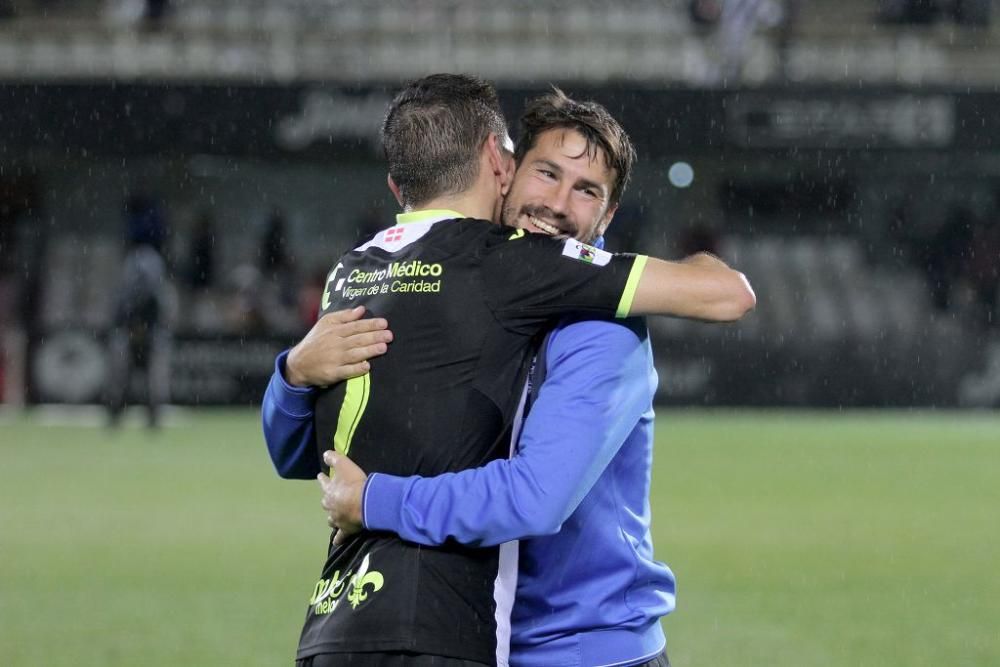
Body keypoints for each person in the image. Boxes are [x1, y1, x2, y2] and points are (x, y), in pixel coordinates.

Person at [262, 74, 754, 667]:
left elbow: (534, 497)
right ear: (506, 169)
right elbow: (305, 455)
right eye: (547, 173)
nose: (557, 204)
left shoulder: (602, 331)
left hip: (581, 651)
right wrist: (293, 373)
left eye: (587, 191)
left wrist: (375, 501)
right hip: (474, 638)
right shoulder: (454, 287)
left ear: (609, 215)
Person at [106, 196, 171, 428]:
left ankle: (149, 416)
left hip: (150, 331)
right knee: (122, 376)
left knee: (152, 379)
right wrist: (131, 325)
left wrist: (143, 326)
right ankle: (117, 414)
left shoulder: (144, 264)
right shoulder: (136, 265)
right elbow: (124, 304)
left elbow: (155, 303)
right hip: (130, 330)